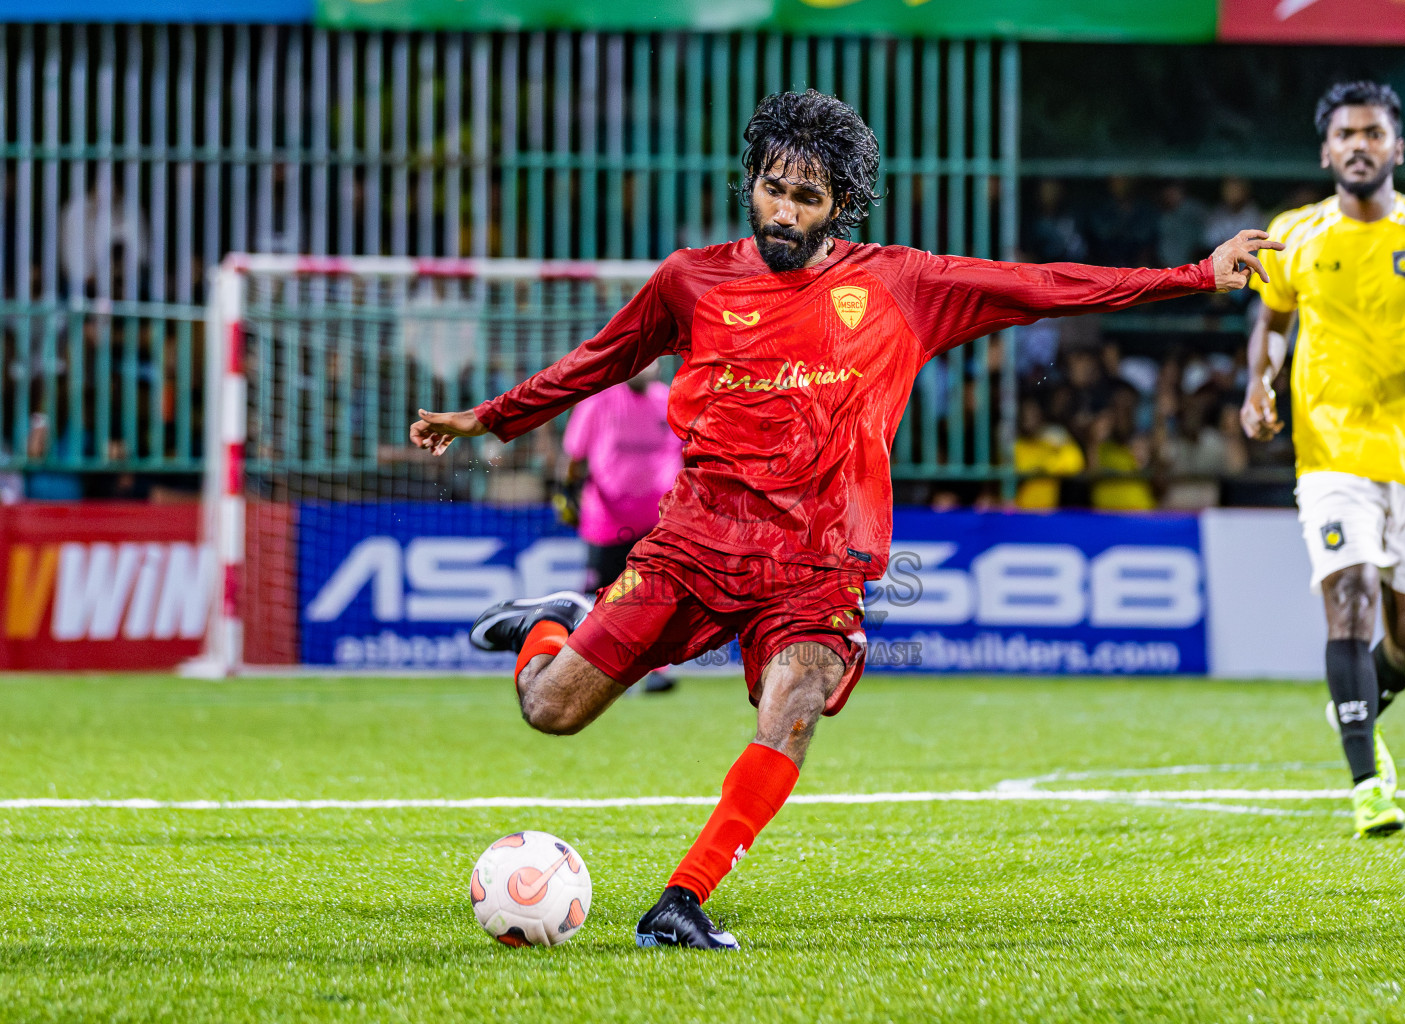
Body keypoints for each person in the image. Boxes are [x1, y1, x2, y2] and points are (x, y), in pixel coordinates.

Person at [410, 89, 1278, 950]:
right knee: (549, 709)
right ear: (751, 184)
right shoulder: (690, 280)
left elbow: (1043, 287)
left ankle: (682, 900)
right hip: (694, 542)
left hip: (819, 561)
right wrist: (489, 418)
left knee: (796, 706)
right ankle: (558, 621)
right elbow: (597, 361)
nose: (784, 213)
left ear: (843, 205)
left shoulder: (902, 284)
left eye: (807, 197)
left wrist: (1194, 276)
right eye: (772, 190)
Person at [1241, 81, 1405, 839]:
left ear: (1397, 147)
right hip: (1331, 454)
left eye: (1373, 133)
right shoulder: (1295, 233)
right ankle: (1366, 783)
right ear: (1326, 151)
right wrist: (1259, 384)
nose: (1359, 145)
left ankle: (1355, 703)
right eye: (1345, 134)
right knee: (1348, 596)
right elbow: (1272, 323)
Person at [558, 360, 684, 693]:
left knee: (653, 594)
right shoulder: (599, 401)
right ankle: (582, 666)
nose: (644, 369)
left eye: (651, 362)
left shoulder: (670, 400)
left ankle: (656, 670)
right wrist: (564, 492)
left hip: (657, 519)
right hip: (607, 518)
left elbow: (687, 452)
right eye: (639, 362)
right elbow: (573, 455)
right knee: (602, 593)